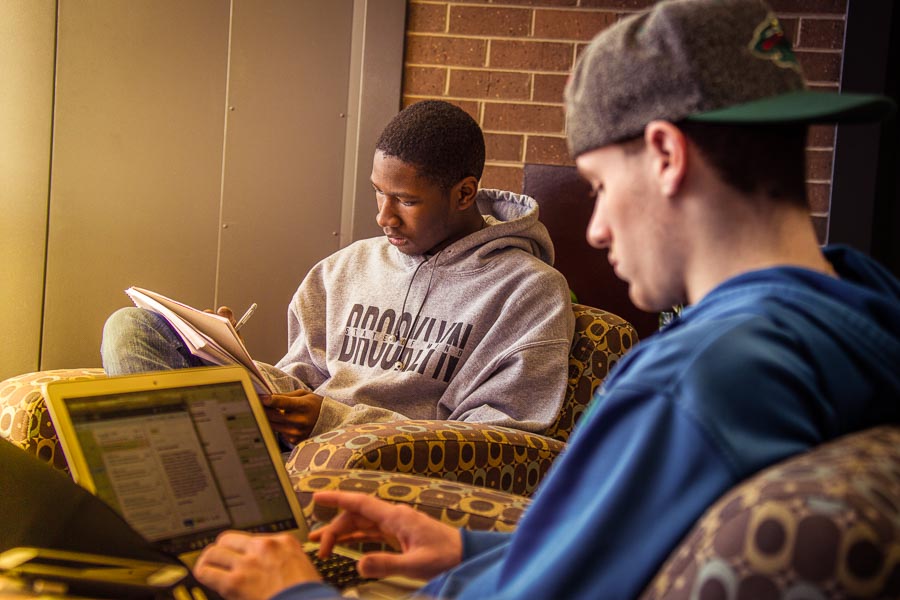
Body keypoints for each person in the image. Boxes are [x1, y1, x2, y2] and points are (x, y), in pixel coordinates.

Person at [192, 0, 900, 598]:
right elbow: (610, 550)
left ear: (666, 156)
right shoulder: (863, 317)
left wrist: (293, 590)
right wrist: (469, 550)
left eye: (597, 185)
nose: (594, 228)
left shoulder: (693, 384)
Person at [101, 100, 575, 444]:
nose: (383, 217)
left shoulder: (529, 291)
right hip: (288, 438)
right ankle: (191, 491)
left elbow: (499, 437)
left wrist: (333, 423)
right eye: (378, 193)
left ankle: (186, 502)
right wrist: (222, 353)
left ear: (465, 193)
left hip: (377, 461)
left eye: (406, 201)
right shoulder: (343, 268)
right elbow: (298, 379)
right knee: (136, 326)